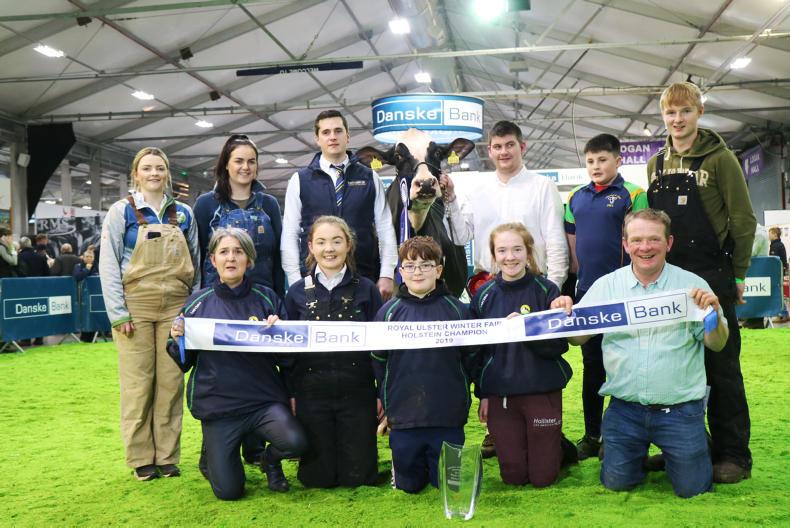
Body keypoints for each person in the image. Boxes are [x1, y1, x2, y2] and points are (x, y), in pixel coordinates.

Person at [552, 209, 729, 498]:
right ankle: (633, 450)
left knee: (693, 489)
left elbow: (717, 344)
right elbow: (577, 338)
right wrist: (564, 314)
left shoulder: (693, 286)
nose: (645, 247)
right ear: (625, 244)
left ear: (668, 243)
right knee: (617, 483)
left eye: (654, 239)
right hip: (625, 410)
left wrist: (713, 316)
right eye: (636, 240)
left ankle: (695, 441)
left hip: (680, 410)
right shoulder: (607, 286)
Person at [646, 82, 756, 483]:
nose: (677, 120)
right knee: (677, 364)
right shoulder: (656, 163)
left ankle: (733, 455)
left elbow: (743, 220)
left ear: (699, 113)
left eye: (685, 111)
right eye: (671, 113)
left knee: (721, 367)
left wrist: (738, 274)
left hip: (712, 273)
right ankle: (685, 448)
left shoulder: (721, 159)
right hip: (672, 278)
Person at [168, 227, 308, 500]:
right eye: (224, 252)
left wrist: (280, 333)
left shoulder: (267, 299)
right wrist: (177, 339)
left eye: (238, 252)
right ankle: (211, 450)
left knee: (296, 443)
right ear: (213, 260)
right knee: (229, 492)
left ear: (249, 259)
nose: (231, 258)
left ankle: (269, 461)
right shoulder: (197, 303)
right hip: (220, 406)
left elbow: (287, 358)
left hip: (262, 402)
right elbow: (184, 362)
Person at [99, 147, 200, 481]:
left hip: (175, 307)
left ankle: (167, 456)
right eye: (147, 168)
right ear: (136, 174)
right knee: (138, 384)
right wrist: (118, 313)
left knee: (171, 383)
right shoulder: (121, 211)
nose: (154, 173)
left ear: (167, 173)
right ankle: (141, 458)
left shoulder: (183, 213)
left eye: (160, 168)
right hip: (135, 307)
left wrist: (192, 310)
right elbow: (108, 264)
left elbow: (196, 263)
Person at [564, 133, 648, 459]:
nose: (596, 166)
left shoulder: (634, 194)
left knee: (626, 365)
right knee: (593, 367)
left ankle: (621, 436)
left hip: (625, 295)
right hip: (588, 295)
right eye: (590, 161)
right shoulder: (574, 197)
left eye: (602, 160)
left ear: (618, 161)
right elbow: (573, 249)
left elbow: (641, 241)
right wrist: (574, 285)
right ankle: (592, 435)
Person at [284, 216, 382, 488]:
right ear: (310, 247)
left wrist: (380, 393)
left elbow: (380, 348)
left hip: (358, 393)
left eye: (337, 241)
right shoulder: (295, 293)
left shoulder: (368, 289)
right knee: (318, 479)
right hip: (311, 393)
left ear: (349, 245)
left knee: (359, 479)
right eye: (321, 242)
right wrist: (291, 393)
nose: (329, 249)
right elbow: (287, 352)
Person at [372, 236, 476, 493]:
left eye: (426, 265)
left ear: (438, 271)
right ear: (400, 272)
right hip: (404, 415)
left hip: (447, 415)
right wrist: (384, 398)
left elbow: (472, 358)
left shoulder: (457, 310)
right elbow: (379, 361)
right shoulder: (388, 313)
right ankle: (403, 470)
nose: (417, 272)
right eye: (410, 265)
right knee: (409, 486)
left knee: (449, 486)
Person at [471, 223, 571, 487]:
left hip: (542, 389)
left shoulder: (547, 290)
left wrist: (528, 330)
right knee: (513, 477)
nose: (510, 257)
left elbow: (559, 346)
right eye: (502, 250)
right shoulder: (483, 296)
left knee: (543, 478)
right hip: (502, 394)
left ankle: (559, 447)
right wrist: (483, 395)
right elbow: (478, 352)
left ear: (528, 252)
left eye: (517, 249)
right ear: (494, 255)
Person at [281, 109, 398, 300]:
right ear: (317, 139)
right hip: (313, 279)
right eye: (326, 132)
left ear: (348, 136)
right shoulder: (299, 180)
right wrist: (295, 280)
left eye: (338, 131)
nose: (332, 137)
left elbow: (385, 229)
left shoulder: (370, 177)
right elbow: (290, 233)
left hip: (363, 276)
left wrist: (386, 274)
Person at [456, 120, 568, 288]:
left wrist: (553, 286)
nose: (504, 152)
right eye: (498, 147)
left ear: (522, 147)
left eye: (510, 145)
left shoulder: (543, 186)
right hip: (487, 283)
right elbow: (461, 236)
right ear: (490, 151)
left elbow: (555, 241)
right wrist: (450, 200)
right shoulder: (477, 190)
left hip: (532, 283)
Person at [193, 134, 285, 296]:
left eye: (251, 161)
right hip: (217, 298)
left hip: (262, 298)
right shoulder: (206, 204)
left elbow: (277, 258)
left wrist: (279, 298)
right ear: (226, 164)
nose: (246, 167)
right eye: (239, 161)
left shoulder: (269, 204)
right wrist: (199, 298)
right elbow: (197, 257)